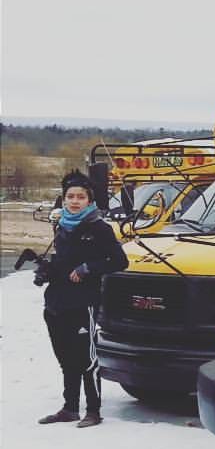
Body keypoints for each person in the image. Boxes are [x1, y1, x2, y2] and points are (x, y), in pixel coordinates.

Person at [36, 170, 129, 427]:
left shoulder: (99, 228)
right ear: (64, 199)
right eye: (70, 197)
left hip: (83, 302)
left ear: (90, 200)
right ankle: (70, 408)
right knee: (65, 357)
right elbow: (62, 262)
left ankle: (94, 411)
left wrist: (89, 268)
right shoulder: (62, 225)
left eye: (80, 197)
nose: (75, 201)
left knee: (86, 358)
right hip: (56, 301)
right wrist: (46, 270)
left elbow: (120, 261)